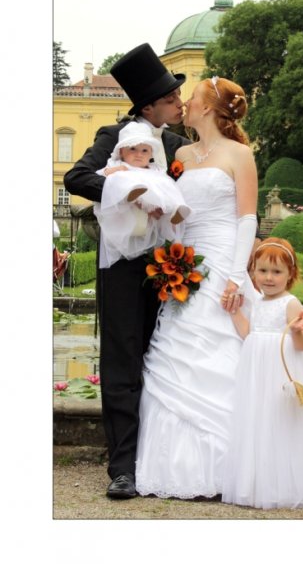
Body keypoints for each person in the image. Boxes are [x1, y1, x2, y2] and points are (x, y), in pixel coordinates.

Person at [64, 43, 191, 499]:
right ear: (149, 106)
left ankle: (157, 459)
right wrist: (127, 190)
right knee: (121, 359)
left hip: (167, 266)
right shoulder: (112, 135)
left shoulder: (178, 145)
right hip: (121, 264)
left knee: (160, 356)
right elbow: (77, 178)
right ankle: (122, 468)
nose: (179, 103)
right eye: (171, 98)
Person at [135, 75, 258, 499]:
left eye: (192, 98)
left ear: (208, 107)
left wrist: (236, 277)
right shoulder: (181, 155)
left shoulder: (240, 154)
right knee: (174, 349)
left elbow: (247, 218)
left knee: (220, 346)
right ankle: (174, 469)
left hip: (222, 259)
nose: (184, 103)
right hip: (184, 261)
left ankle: (226, 469)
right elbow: (178, 212)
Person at [221, 237, 303, 509]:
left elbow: (302, 345)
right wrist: (234, 313)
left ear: (290, 274)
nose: (269, 278)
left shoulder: (290, 303)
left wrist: (299, 331)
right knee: (259, 420)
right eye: (262, 271)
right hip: (256, 369)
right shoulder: (257, 301)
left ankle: (284, 486)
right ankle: (259, 483)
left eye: (277, 272)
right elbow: (250, 333)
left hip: (280, 370)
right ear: (253, 271)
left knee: (280, 420)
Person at [94, 121, 191, 269]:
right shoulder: (119, 166)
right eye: (133, 149)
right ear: (121, 151)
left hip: (153, 210)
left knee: (168, 184)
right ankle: (131, 193)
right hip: (129, 210)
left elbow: (165, 187)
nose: (139, 154)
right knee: (117, 179)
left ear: (151, 153)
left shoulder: (154, 170)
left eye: (144, 150)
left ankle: (175, 209)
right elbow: (103, 174)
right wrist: (115, 171)